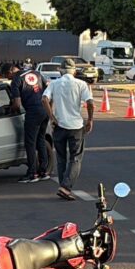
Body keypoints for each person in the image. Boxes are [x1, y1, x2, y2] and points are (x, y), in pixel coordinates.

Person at [44, 66, 94, 200]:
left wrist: (51, 117)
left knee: (61, 158)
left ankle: (62, 186)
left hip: (59, 125)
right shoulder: (81, 84)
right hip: (76, 126)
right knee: (75, 158)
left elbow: (44, 99)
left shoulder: (54, 83)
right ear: (74, 71)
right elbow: (90, 102)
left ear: (61, 71)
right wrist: (90, 119)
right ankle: (65, 187)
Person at [8, 62, 52, 184]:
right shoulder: (37, 73)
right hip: (45, 110)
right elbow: (48, 92)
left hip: (33, 112)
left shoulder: (16, 80)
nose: (8, 78)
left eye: (7, 75)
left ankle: (32, 173)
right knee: (40, 139)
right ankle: (43, 171)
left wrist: (11, 109)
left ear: (10, 71)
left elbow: (17, 104)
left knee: (30, 142)